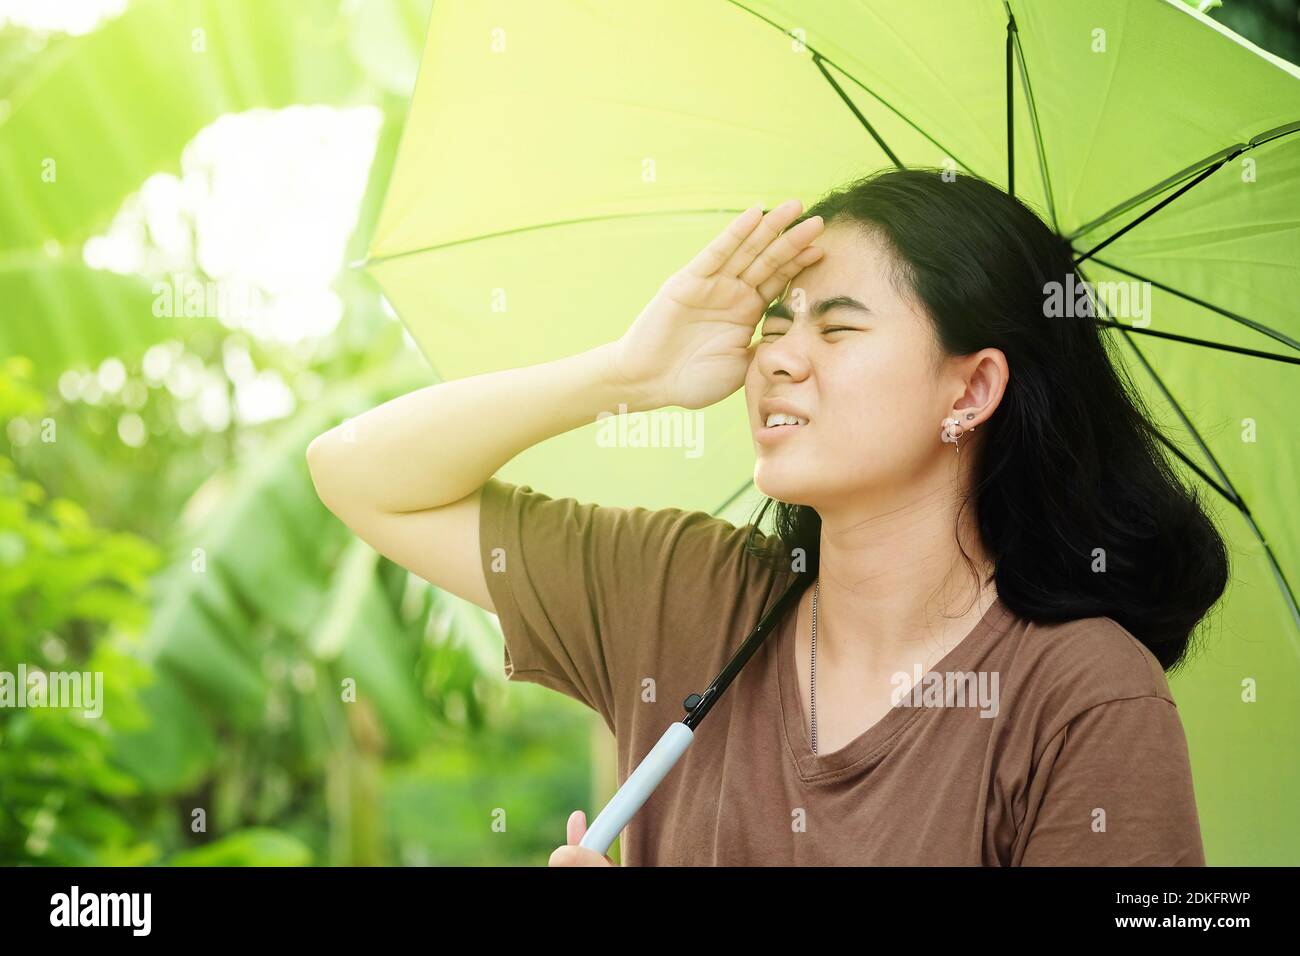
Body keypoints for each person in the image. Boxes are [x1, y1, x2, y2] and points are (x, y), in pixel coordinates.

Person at [306, 167, 1228, 866]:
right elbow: (359, 476)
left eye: (837, 328)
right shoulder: (684, 595)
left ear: (973, 388)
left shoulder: (1085, 696)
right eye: (777, 323)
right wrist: (626, 376)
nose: (778, 358)